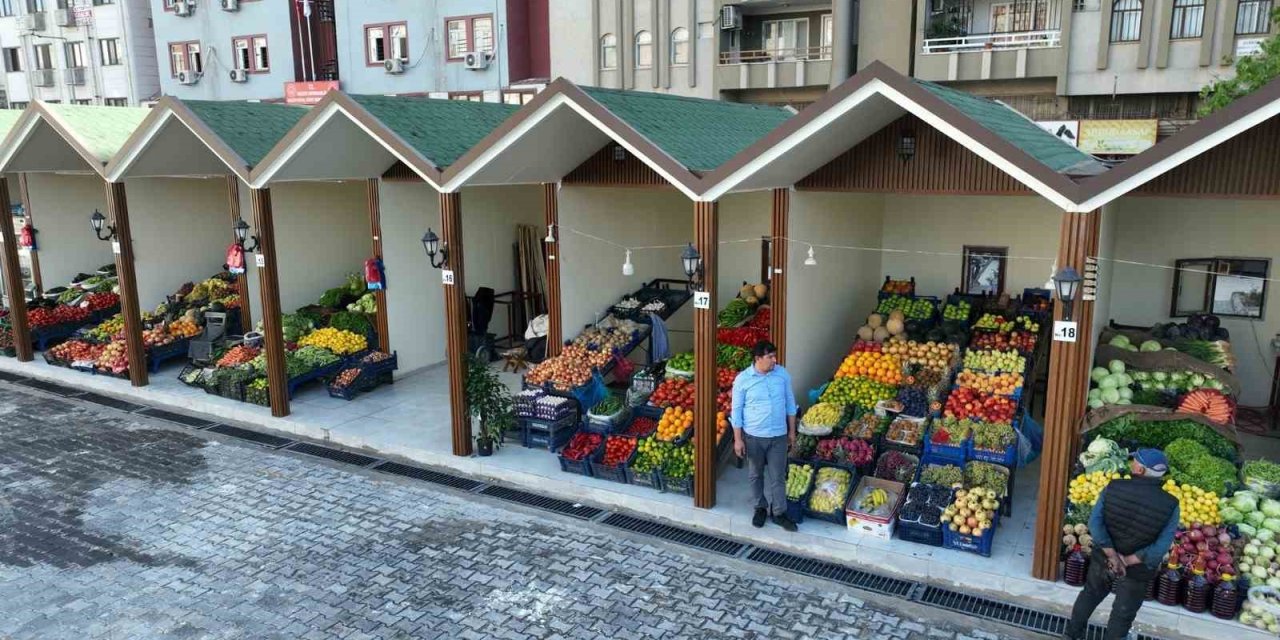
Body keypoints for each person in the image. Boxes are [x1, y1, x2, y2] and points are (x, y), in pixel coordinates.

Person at [1065, 449, 1180, 640]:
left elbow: (1095, 523)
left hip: (1104, 558)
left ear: (1141, 470)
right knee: (1123, 612)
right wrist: (1129, 560)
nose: (1131, 464)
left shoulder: (1114, 487)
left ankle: (1072, 635)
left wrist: (1112, 555)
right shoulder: (1171, 504)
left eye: (1134, 461)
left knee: (1091, 593)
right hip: (1138, 567)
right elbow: (1162, 546)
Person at [730, 340, 798, 532]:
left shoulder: (782, 374)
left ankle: (779, 513)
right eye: (770, 357)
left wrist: (792, 432)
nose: (774, 360)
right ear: (758, 358)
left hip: (778, 435)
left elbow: (790, 404)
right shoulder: (743, 379)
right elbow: (736, 412)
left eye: (774, 356)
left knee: (778, 476)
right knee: (755, 475)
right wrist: (738, 439)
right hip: (753, 437)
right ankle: (760, 507)